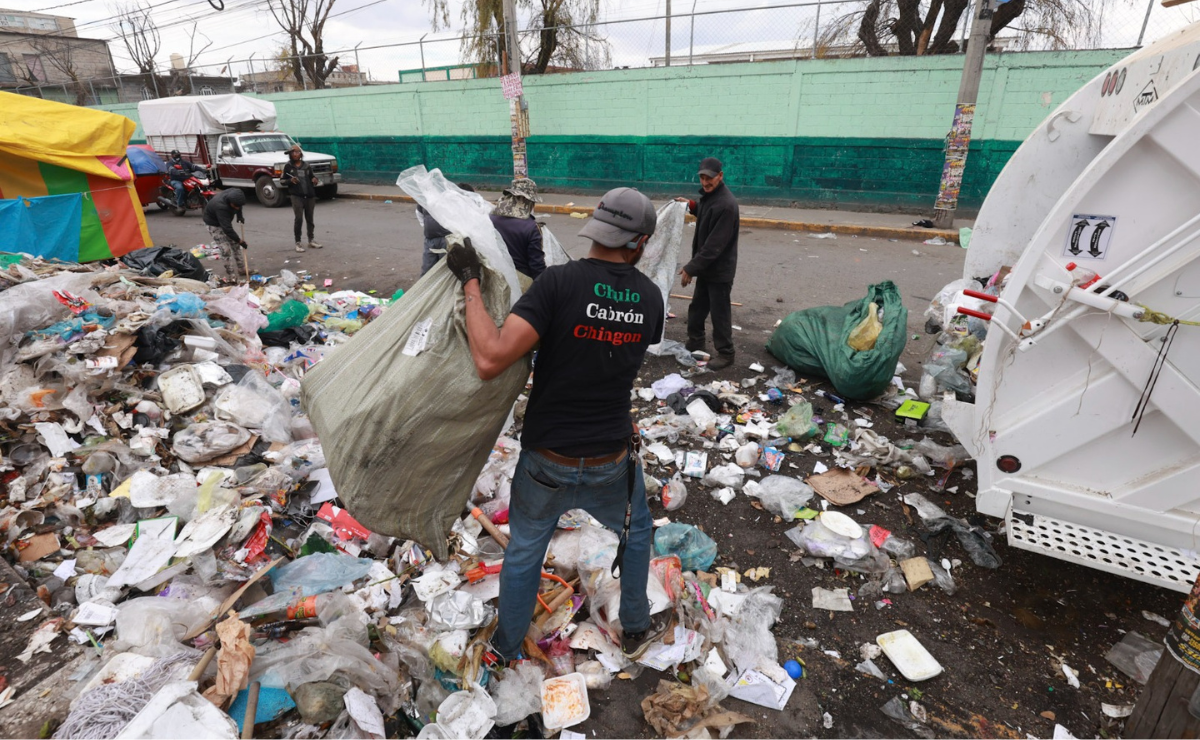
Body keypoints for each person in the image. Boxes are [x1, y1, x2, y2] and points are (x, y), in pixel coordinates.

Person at [445, 186, 669, 662]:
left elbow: (489, 359)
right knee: (636, 534)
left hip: (549, 458)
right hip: (611, 457)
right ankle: (635, 627)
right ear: (641, 242)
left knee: (525, 551)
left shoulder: (559, 284)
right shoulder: (650, 299)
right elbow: (615, 356)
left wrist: (469, 282)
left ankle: (506, 649)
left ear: (596, 227)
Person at [675, 157, 740, 371]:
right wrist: (691, 205)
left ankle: (726, 353)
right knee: (697, 308)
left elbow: (714, 246)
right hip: (706, 268)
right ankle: (696, 342)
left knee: (720, 313)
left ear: (720, 176)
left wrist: (691, 268)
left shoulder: (726, 205)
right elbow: (705, 211)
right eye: (702, 177)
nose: (705, 182)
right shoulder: (710, 197)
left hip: (719, 270)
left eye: (709, 178)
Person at [489, 178, 545, 283]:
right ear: (529, 202)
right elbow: (537, 266)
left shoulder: (491, 218)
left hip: (496, 278)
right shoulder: (531, 227)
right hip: (521, 282)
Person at [418, 183, 475, 276]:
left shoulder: (456, 204)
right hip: (430, 239)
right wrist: (425, 226)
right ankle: (425, 288)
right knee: (427, 268)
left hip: (447, 239)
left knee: (445, 268)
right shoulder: (426, 200)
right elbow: (419, 213)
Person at [203, 188, 248, 284]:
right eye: (235, 206)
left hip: (224, 221)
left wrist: (239, 216)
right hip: (214, 224)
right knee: (226, 250)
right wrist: (240, 241)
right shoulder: (221, 207)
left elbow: (239, 206)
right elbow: (227, 229)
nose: (237, 208)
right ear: (230, 202)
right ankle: (231, 275)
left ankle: (242, 269)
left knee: (236, 246)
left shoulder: (237, 194)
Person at [283, 145, 323, 253]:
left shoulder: (306, 166)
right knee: (299, 219)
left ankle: (311, 240)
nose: (295, 154)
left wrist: (315, 180)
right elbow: (282, 181)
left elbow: (312, 177)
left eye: (297, 152)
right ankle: (298, 242)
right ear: (290, 154)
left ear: (301, 153)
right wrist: (290, 181)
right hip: (296, 196)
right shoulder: (288, 167)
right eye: (293, 153)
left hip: (309, 196)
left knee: (310, 219)